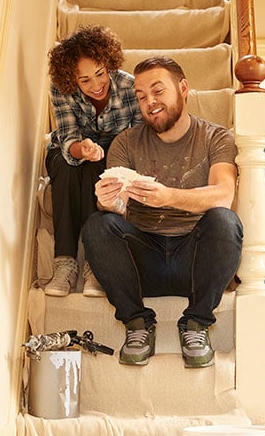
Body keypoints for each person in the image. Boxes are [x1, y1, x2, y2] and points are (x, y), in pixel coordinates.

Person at [82, 56, 242, 368]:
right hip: (144, 261)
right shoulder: (126, 142)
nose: (149, 103)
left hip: (195, 262)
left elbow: (223, 195)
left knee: (225, 221)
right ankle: (137, 323)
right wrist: (108, 201)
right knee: (98, 224)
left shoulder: (217, 137)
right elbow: (119, 208)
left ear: (183, 88)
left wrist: (168, 197)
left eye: (158, 91)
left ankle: (196, 324)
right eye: (141, 96)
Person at [44, 25, 142, 298]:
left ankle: (94, 264)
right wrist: (82, 149)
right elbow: (67, 138)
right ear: (71, 79)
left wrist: (107, 158)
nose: (96, 85)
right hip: (72, 151)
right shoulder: (60, 89)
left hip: (113, 154)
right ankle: (64, 263)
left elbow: (136, 140)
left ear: (109, 63)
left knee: (98, 172)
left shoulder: (130, 87)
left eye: (100, 74)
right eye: (85, 80)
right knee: (65, 166)